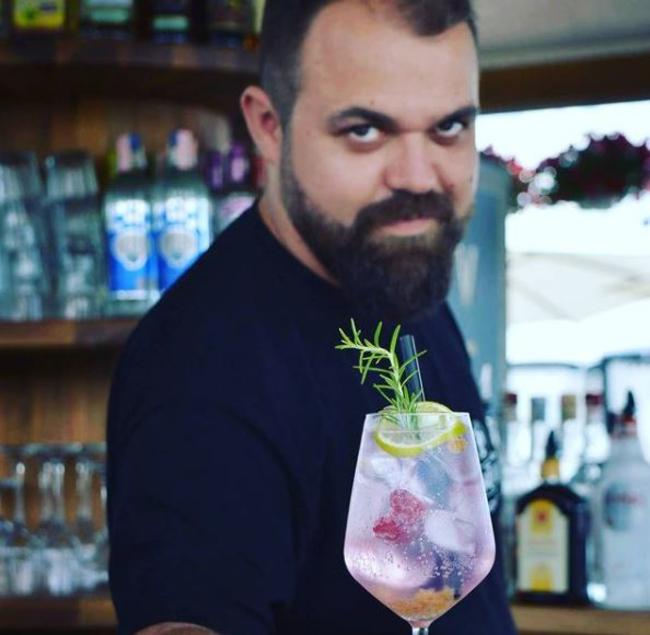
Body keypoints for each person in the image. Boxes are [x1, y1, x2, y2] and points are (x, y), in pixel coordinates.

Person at [106, 1, 517, 633]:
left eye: (448, 127)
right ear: (268, 126)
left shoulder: (396, 274)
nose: (418, 177)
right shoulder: (203, 374)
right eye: (365, 131)